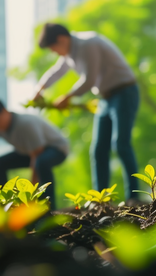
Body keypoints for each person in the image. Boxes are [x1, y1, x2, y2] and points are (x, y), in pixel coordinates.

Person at [33, 23, 139, 201]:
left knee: (121, 144)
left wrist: (67, 97)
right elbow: (57, 71)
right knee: (98, 149)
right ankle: (101, 199)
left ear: (61, 39)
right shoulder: (70, 52)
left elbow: (89, 80)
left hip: (124, 92)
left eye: (53, 48)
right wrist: (40, 88)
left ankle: (134, 196)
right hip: (105, 98)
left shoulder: (88, 43)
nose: (54, 53)